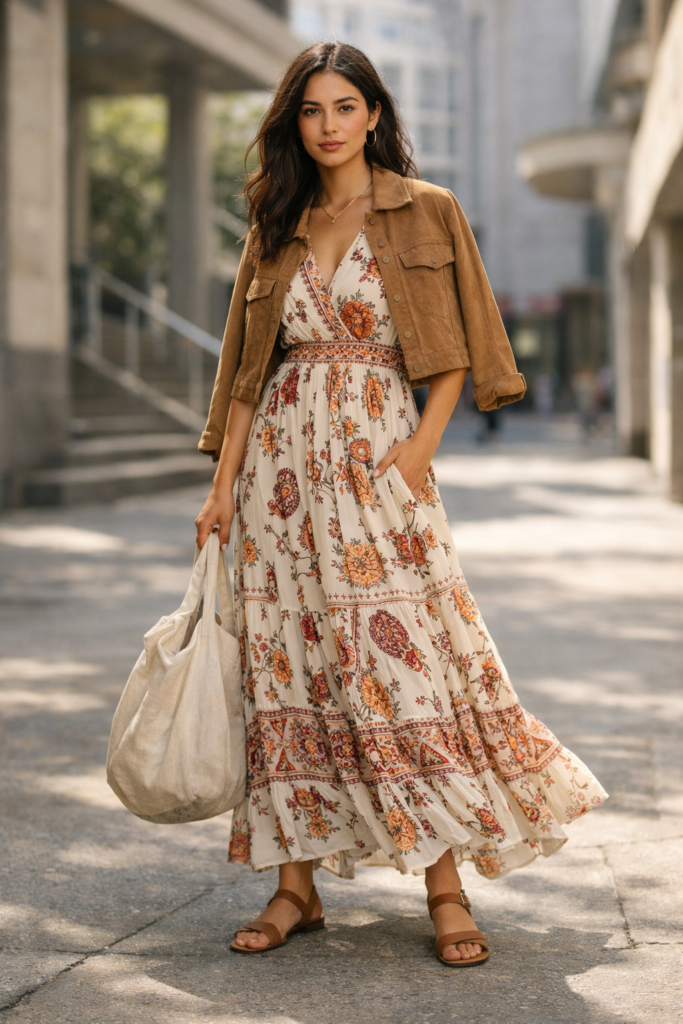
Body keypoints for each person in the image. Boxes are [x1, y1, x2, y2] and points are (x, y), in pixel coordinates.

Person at [195, 42, 607, 968]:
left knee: (407, 662)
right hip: (277, 479)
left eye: (345, 107)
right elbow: (246, 369)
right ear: (294, 122)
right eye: (311, 110)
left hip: (379, 461)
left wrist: (418, 450)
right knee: (287, 668)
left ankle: (444, 885)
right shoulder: (276, 218)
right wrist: (222, 487)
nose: (328, 125)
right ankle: (294, 886)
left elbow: (461, 342)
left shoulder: (427, 209)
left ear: (374, 113)